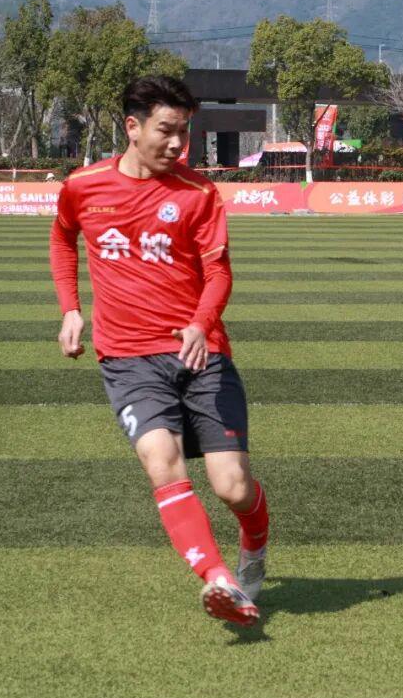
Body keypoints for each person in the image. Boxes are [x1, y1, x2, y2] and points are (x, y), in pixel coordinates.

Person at [49, 75, 268, 627]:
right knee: (161, 461)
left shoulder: (199, 194)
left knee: (233, 487)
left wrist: (199, 324)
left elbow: (219, 273)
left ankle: (254, 544)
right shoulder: (83, 186)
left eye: (184, 132)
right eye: (166, 130)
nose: (177, 144)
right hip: (126, 357)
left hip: (201, 354)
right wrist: (71, 308)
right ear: (133, 126)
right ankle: (218, 578)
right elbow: (62, 238)